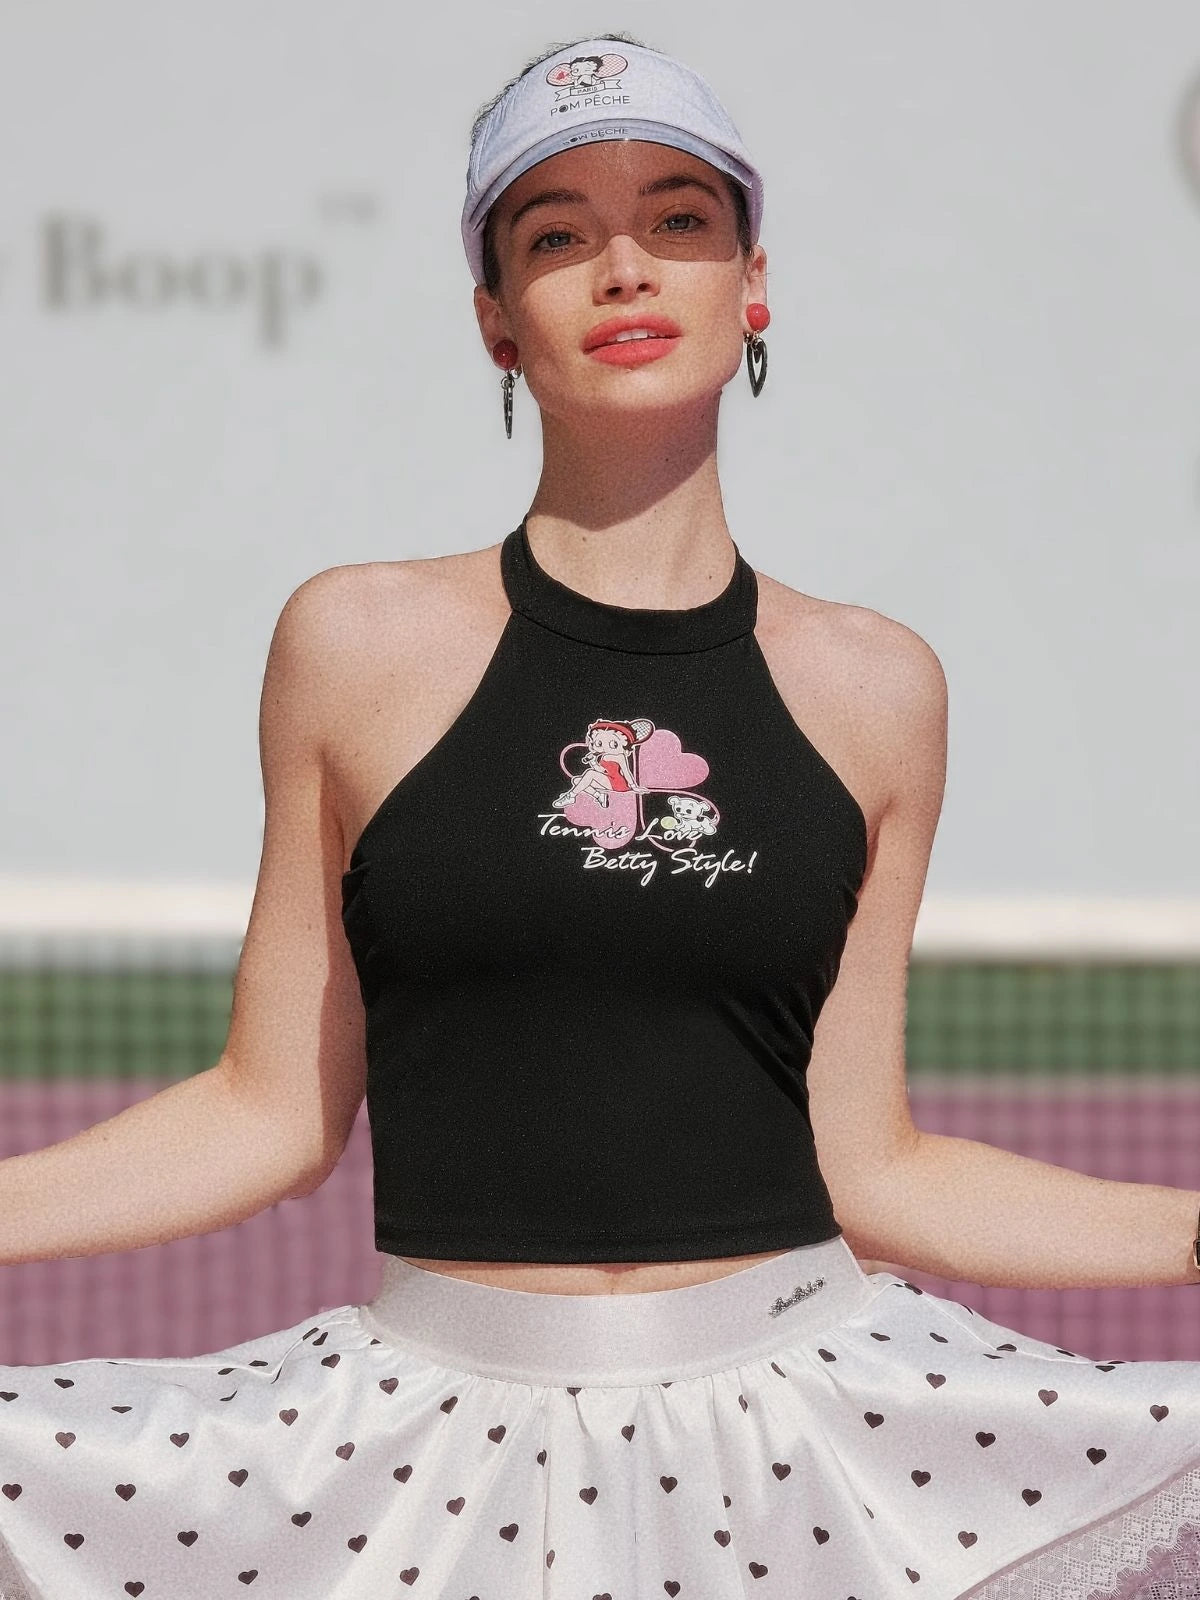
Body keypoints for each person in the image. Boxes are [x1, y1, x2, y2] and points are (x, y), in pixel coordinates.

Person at [2, 28, 1200, 1600]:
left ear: (752, 283)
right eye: (557, 234)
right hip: (419, 1464)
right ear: (497, 321)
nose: (623, 267)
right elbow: (269, 1111)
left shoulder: (876, 687)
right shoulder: (353, 646)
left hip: (806, 1452)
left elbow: (876, 1166)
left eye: (678, 220)